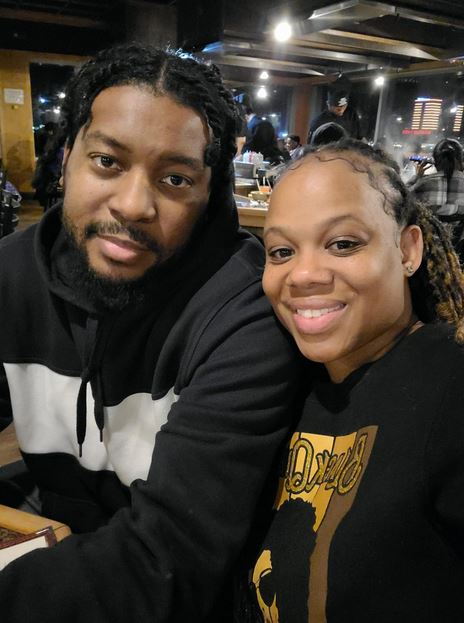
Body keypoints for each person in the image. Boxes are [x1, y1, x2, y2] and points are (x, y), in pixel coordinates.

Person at [0, 43, 302, 622]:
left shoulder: (244, 316)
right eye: (107, 162)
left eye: (175, 179)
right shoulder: (11, 276)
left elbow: (171, 561)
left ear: (209, 194)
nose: (135, 205)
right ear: (66, 158)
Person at [245, 139, 464, 621]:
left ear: (408, 250)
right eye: (281, 251)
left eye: (343, 244)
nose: (303, 274)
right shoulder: (280, 383)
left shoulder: (451, 385)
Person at [410, 138, 464, 259]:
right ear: (461, 161)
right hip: (460, 259)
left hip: (428, 257)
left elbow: (400, 199)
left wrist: (417, 177)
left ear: (435, 162)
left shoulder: (423, 184)